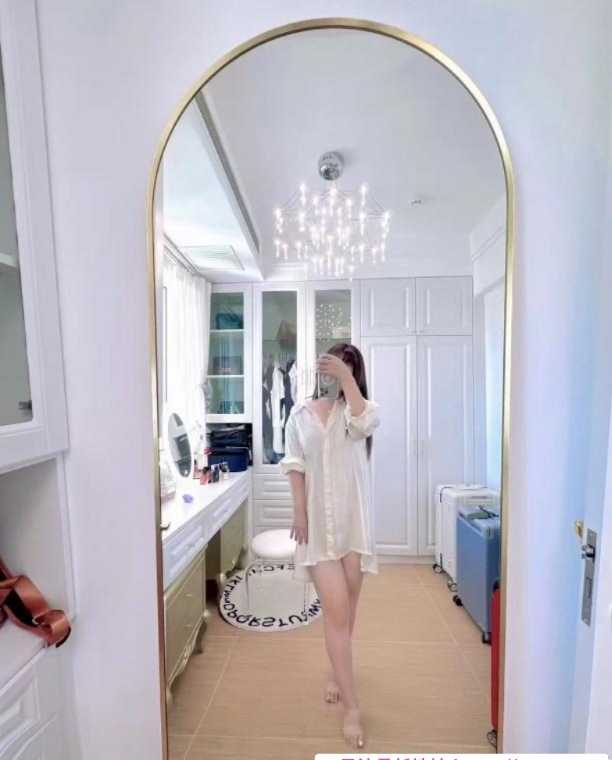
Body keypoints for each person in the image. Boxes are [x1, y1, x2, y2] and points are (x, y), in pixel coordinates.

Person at [280, 343, 380, 749]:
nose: (340, 372)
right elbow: (295, 465)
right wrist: (298, 513)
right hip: (318, 530)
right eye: (336, 363)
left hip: (352, 526)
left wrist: (346, 378)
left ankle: (336, 672)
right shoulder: (299, 415)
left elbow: (367, 421)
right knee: (336, 610)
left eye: (350, 367)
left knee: (347, 610)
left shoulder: (354, 412)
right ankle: (352, 708)